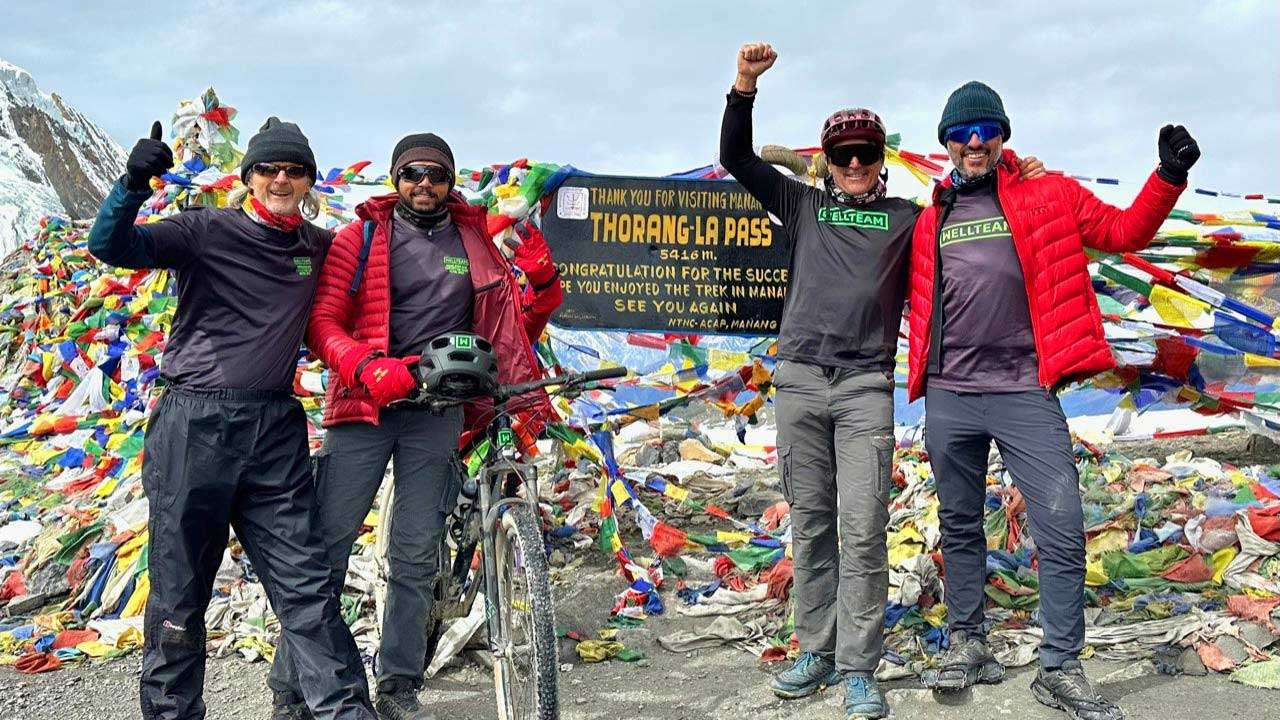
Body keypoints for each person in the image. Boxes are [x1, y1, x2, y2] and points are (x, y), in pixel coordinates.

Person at [721, 43, 1046, 720]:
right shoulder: (802, 204)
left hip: (868, 388)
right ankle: (817, 648)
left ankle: (860, 668)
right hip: (801, 383)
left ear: (881, 159)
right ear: (827, 161)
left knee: (863, 530)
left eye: (867, 154)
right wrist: (744, 86)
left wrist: (1018, 174)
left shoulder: (908, 220)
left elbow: (976, 210)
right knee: (811, 525)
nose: (856, 165)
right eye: (843, 155)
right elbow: (738, 158)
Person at [908, 81, 1199, 720]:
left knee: (1061, 526)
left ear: (1003, 135)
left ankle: (1060, 668)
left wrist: (1168, 175)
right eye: (961, 133)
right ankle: (968, 642)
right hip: (950, 393)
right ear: (947, 144)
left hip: (1024, 390)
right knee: (959, 525)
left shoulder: (1048, 193)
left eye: (986, 129)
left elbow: (1124, 232)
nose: (974, 142)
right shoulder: (930, 217)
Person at [87, 119, 375, 720]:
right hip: (194, 426)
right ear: (247, 177)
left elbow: (384, 284)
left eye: (294, 170)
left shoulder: (319, 249)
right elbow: (112, 247)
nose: (280, 179)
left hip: (275, 429)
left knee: (308, 590)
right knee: (179, 595)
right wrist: (133, 183)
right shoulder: (204, 229)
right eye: (269, 168)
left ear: (308, 182)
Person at [267, 132, 556, 720]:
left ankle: (398, 685)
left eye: (437, 175)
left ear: (450, 182)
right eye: (413, 174)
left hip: (437, 413)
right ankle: (293, 687)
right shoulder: (362, 237)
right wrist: (367, 367)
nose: (425, 185)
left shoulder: (474, 239)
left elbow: (511, 325)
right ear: (396, 178)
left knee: (416, 554)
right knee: (326, 548)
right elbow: (322, 322)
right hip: (365, 411)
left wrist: (544, 286)